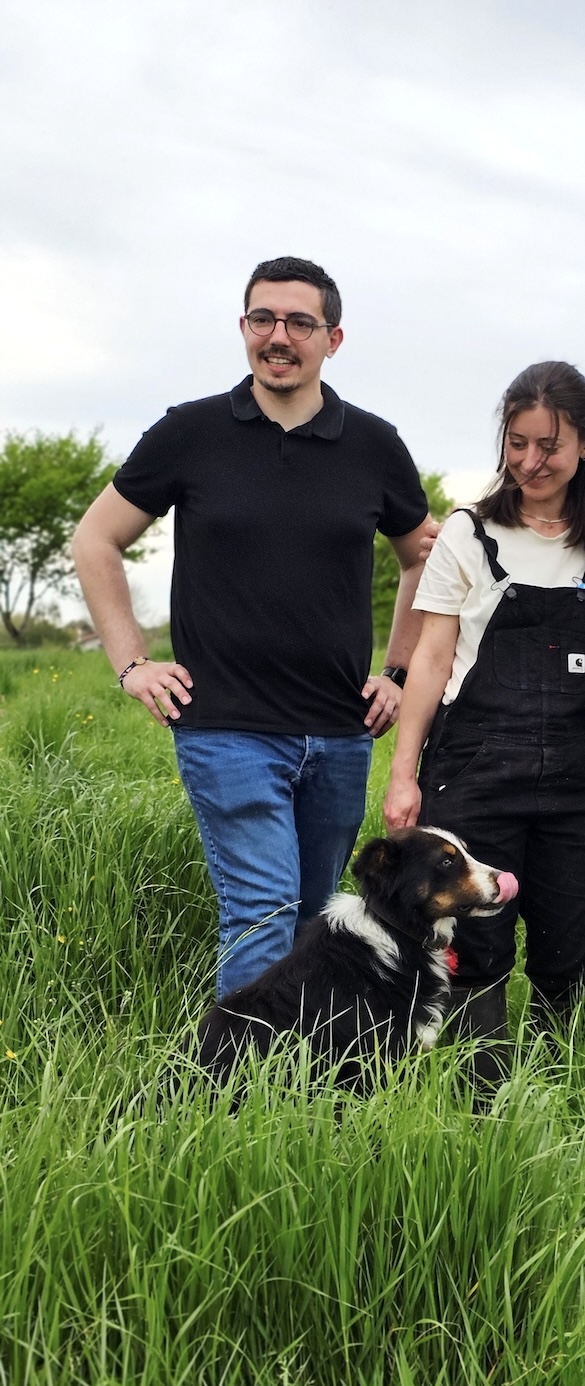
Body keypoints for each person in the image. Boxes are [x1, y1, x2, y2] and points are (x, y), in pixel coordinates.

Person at [72, 255, 432, 999]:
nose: (280, 336)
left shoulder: (373, 445)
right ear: (243, 328)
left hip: (338, 730)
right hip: (227, 726)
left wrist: (396, 673)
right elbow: (95, 540)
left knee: (308, 922)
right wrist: (133, 663)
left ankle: (292, 1089)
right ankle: (235, 1093)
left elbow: (423, 558)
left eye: (301, 322)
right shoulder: (190, 433)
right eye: (263, 318)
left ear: (332, 338)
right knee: (262, 909)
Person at [382, 361, 585, 1082]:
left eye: (550, 446)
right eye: (517, 443)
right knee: (476, 947)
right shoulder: (468, 532)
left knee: (568, 947)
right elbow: (430, 659)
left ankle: (565, 1094)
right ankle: (481, 1105)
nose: (531, 462)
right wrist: (402, 774)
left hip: (577, 780)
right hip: (474, 771)